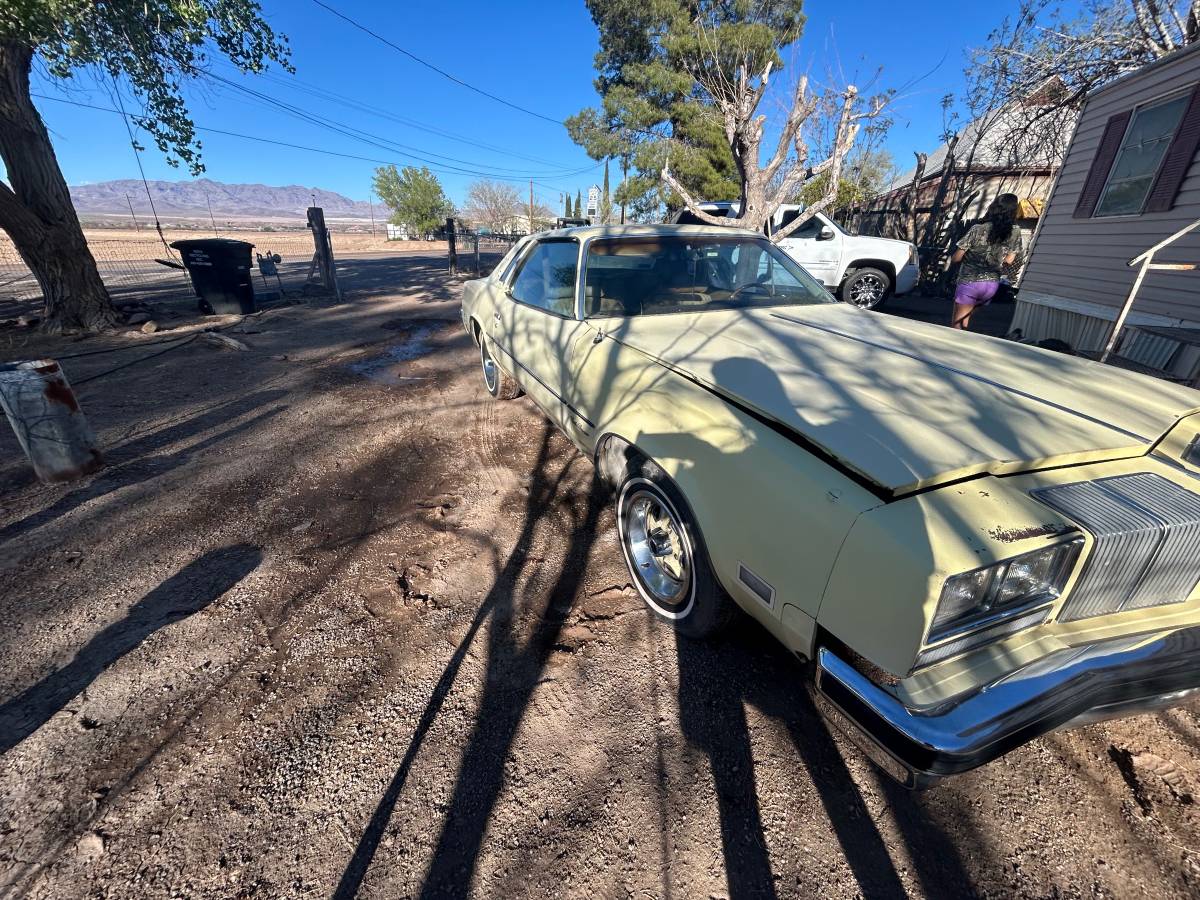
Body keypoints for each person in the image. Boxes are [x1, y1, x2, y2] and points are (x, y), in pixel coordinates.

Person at [949, 193, 1023, 330]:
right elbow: (1009, 260)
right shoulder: (1015, 231)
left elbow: (957, 258)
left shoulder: (978, 229)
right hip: (991, 286)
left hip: (970, 281)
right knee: (966, 319)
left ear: (994, 207)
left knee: (957, 326)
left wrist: (960, 259)